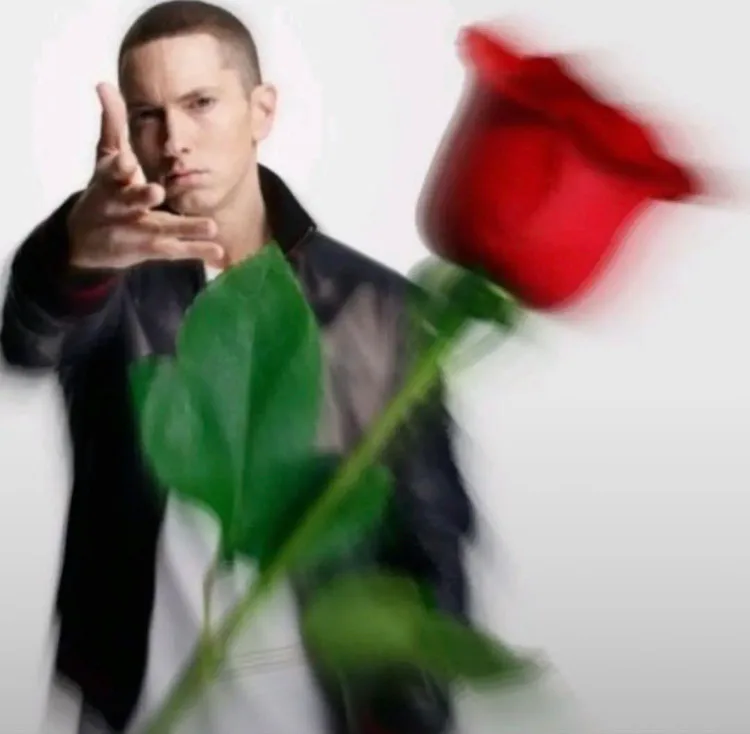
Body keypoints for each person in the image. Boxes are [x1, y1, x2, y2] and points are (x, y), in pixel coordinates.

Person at [0, 2, 475, 732]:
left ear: (262, 110)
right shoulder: (114, 286)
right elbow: (28, 344)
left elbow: (428, 546)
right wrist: (75, 254)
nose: (174, 140)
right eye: (148, 114)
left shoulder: (376, 310)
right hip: (134, 708)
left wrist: (410, 715)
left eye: (200, 103)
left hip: (318, 712)